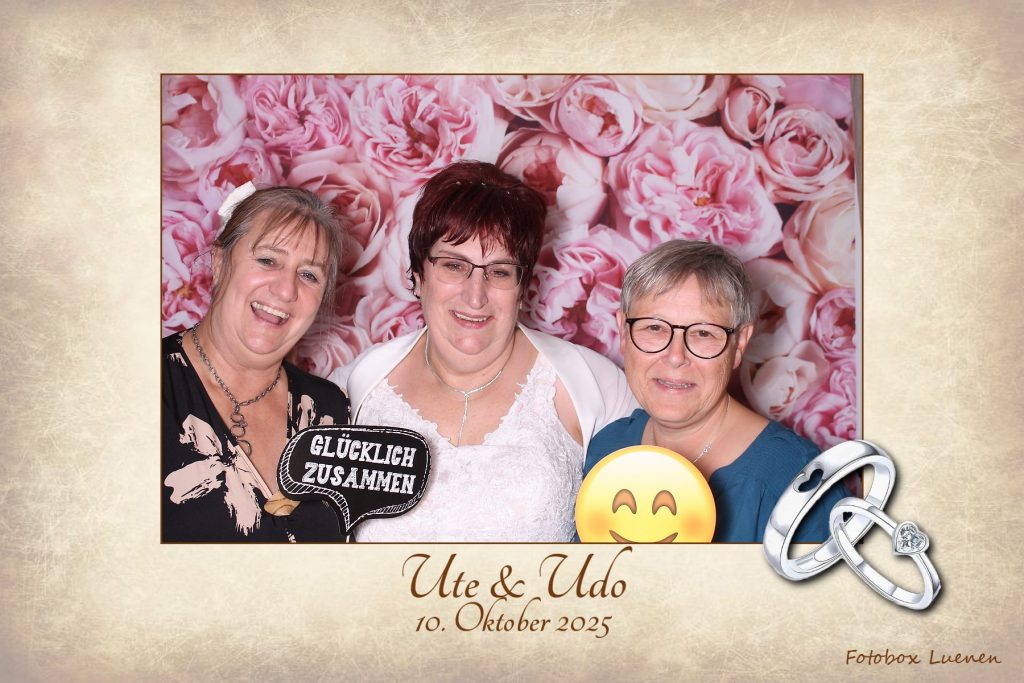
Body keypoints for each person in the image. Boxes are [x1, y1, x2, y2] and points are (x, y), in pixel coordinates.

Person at [338, 160, 637, 541]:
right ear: (417, 275)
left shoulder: (593, 384)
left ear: (523, 287)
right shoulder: (355, 386)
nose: (475, 296)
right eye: (453, 266)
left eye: (499, 271)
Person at [582, 239, 848, 542]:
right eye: (654, 328)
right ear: (623, 333)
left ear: (740, 344)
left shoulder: (798, 482)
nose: (675, 356)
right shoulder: (606, 449)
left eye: (703, 333)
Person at [163, 185, 351, 542]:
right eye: (268, 260)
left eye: (309, 275)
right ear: (220, 263)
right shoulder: (138, 388)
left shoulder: (334, 412)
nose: (286, 290)